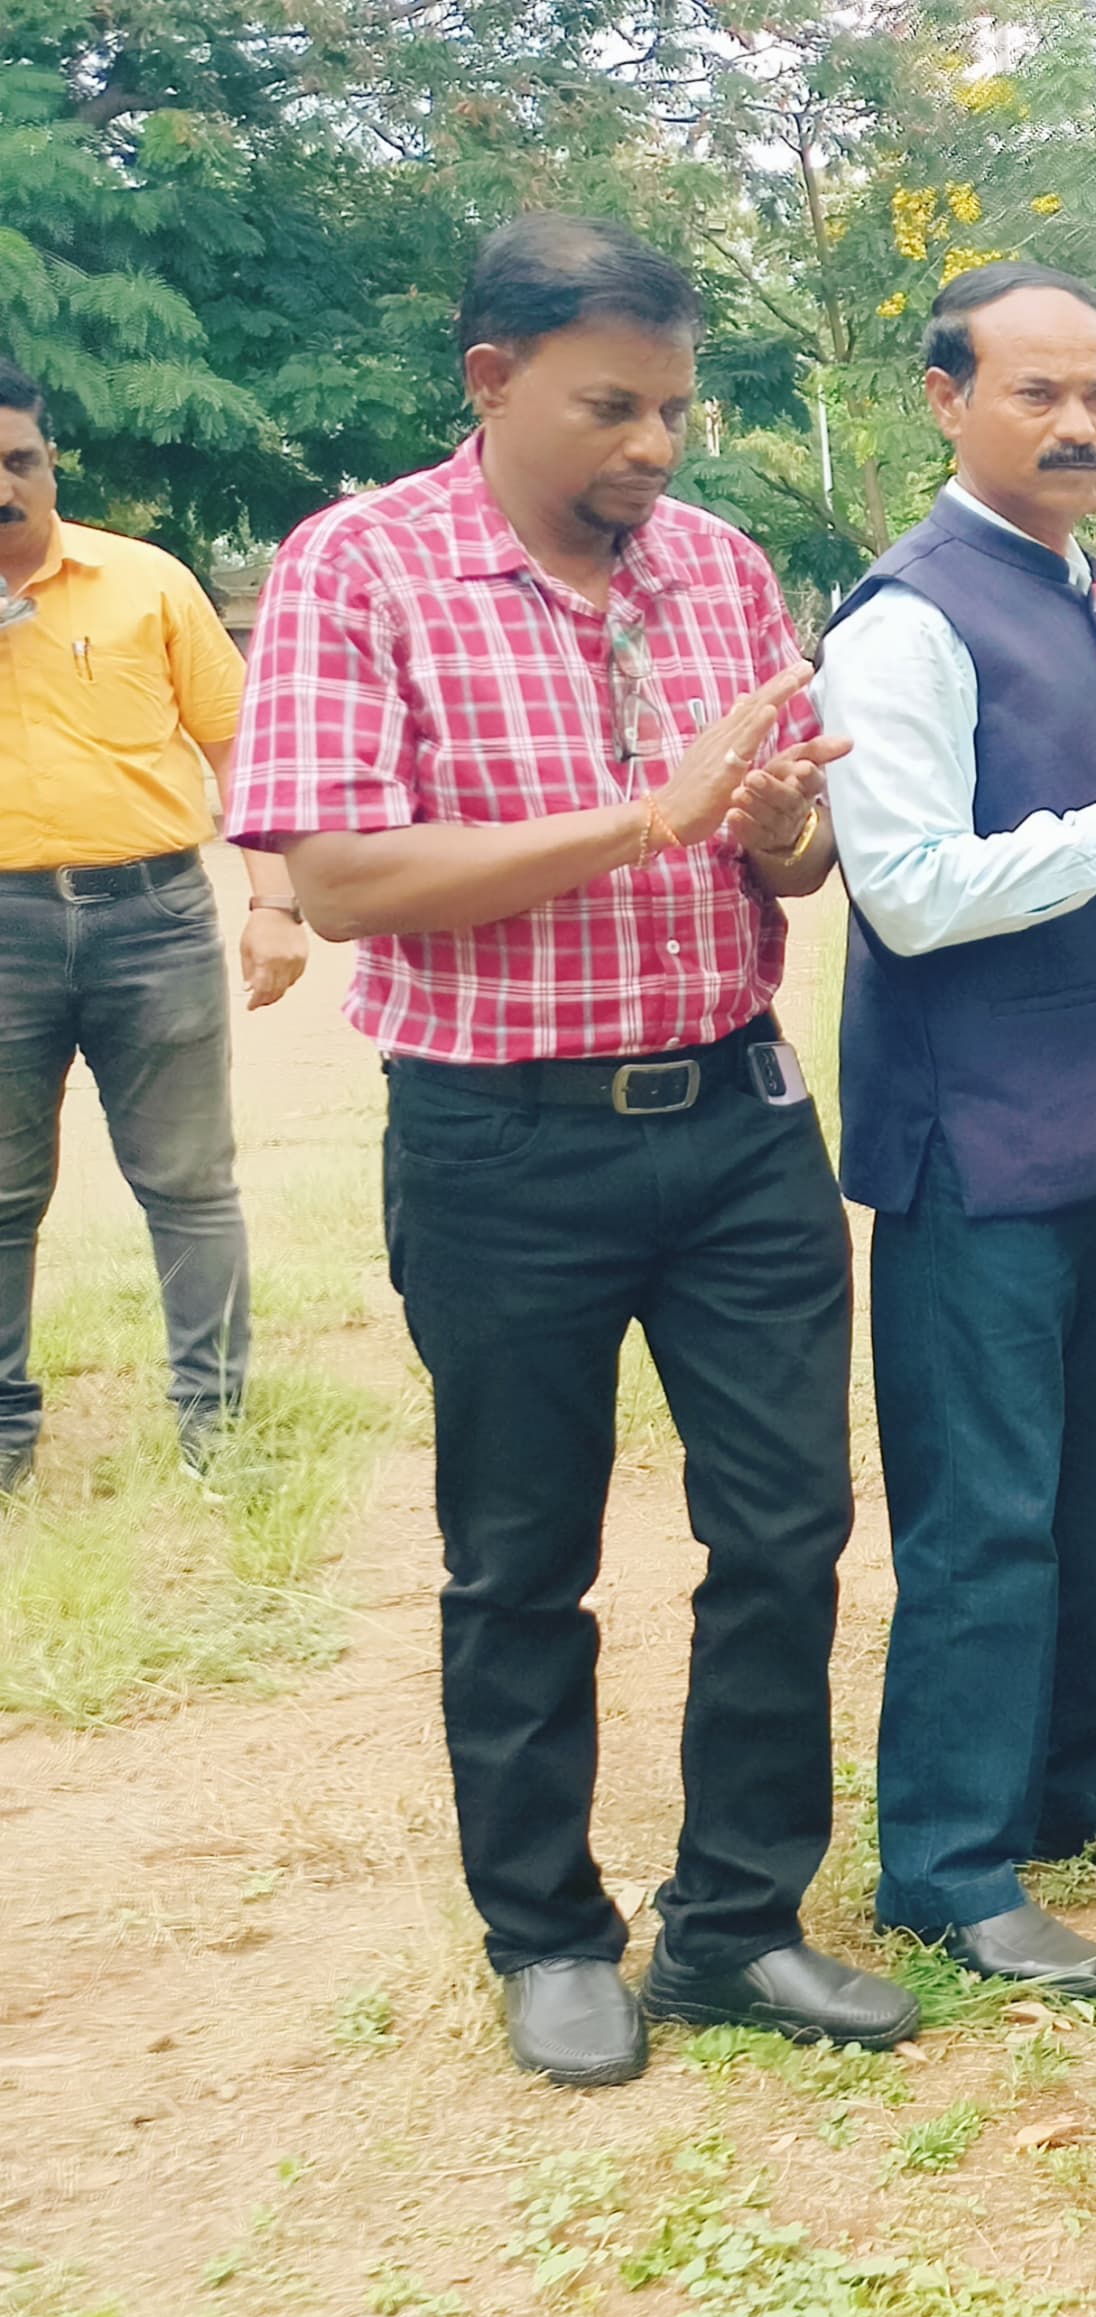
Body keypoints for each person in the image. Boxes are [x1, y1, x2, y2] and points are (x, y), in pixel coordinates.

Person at [226, 213, 907, 2084]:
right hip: (504, 1148)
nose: (657, 450)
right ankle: (548, 1935)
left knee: (785, 1530)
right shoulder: (358, 567)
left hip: (740, 1126)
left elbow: (794, 856)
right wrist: (643, 818)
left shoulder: (720, 568)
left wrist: (769, 827)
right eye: (616, 407)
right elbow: (345, 879)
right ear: (492, 378)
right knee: (519, 1557)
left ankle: (738, 1924)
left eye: (676, 408)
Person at [819, 261, 1096, 1997]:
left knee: (1095, 1495)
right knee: (984, 1516)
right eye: (1035, 393)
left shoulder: (1076, 592)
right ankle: (945, 1862)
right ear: (945, 400)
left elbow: (1079, 834)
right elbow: (910, 893)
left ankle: (1074, 1792)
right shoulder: (907, 616)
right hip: (976, 1152)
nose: (1079, 425)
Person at [1, 358, 301, 1497]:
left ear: (50, 460)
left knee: (188, 1182)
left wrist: (272, 901)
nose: (6, 489)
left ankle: (212, 1423)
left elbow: (240, 752)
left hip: (153, 915)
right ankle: (4, 1431)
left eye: (20, 461)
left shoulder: (146, 583)